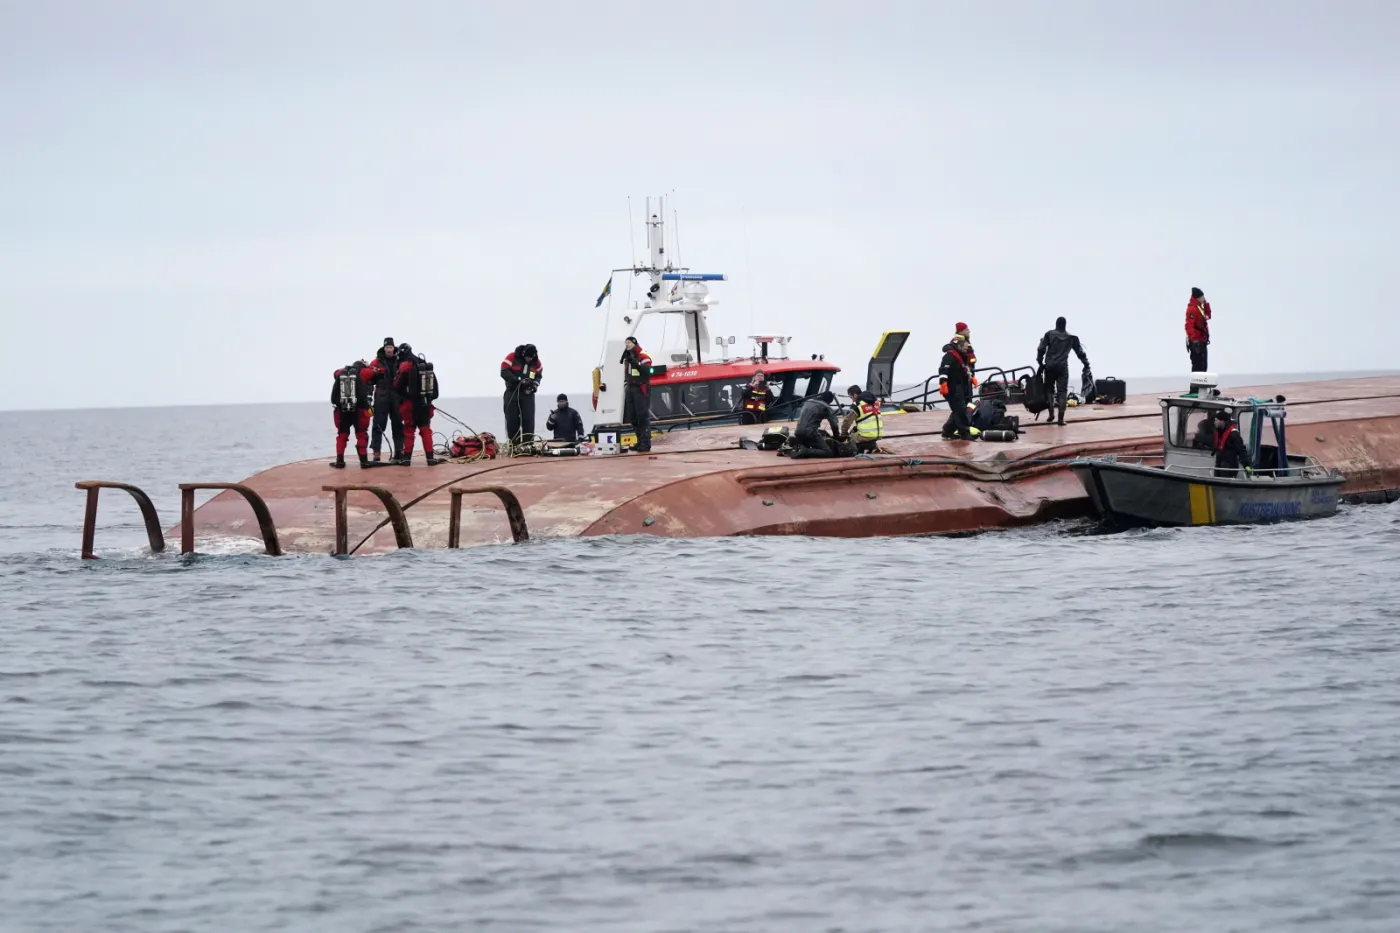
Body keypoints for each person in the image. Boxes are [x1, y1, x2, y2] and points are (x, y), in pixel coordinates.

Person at [1037, 316, 1091, 426]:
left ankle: (1051, 414)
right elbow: (1080, 353)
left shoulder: (1049, 334)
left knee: (1049, 390)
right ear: (1065, 325)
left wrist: (1040, 361)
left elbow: (1040, 348)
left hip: (1050, 366)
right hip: (1062, 368)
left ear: (1056, 324)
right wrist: (1086, 363)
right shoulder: (1072, 338)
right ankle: (1060, 419)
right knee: (1062, 393)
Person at [393, 343, 441, 465]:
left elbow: (397, 386)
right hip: (425, 404)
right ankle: (430, 458)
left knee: (409, 430)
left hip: (410, 405)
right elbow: (435, 389)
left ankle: (407, 459)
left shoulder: (405, 366)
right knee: (425, 430)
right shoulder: (423, 364)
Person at [330, 359, 377, 469]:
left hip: (343, 410)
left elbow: (335, 373)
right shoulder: (365, 372)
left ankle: (340, 460)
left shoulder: (341, 373)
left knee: (342, 435)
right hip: (359, 410)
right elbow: (375, 373)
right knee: (361, 434)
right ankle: (364, 461)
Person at [369, 337, 404, 463]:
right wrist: (373, 372)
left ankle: (399, 451)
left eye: (390, 347)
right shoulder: (376, 362)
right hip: (381, 397)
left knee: (398, 424)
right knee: (378, 425)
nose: (389, 349)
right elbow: (369, 380)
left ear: (393, 348)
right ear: (384, 348)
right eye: (387, 347)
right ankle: (376, 452)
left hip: (396, 397)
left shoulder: (400, 361)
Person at [501, 344, 543, 443]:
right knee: (512, 419)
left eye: (531, 357)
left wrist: (535, 385)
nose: (529, 359)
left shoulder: (536, 363)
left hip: (527, 394)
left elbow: (538, 376)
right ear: (523, 354)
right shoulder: (511, 357)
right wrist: (518, 380)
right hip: (512, 391)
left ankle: (527, 444)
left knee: (528, 419)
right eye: (527, 357)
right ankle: (514, 445)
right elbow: (503, 371)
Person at [940, 335, 978, 440]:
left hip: (960, 385)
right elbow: (943, 370)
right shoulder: (950, 356)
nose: (967, 350)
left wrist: (971, 377)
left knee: (958, 410)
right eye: (965, 348)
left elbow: (964, 369)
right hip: (952, 387)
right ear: (960, 347)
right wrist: (943, 383)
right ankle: (965, 433)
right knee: (960, 409)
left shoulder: (961, 356)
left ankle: (947, 431)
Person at [620, 337, 653, 453]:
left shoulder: (643, 356)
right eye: (626, 343)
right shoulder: (627, 358)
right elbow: (627, 374)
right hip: (630, 389)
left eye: (629, 342)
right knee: (633, 417)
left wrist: (634, 361)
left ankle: (645, 443)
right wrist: (626, 386)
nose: (627, 345)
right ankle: (639, 440)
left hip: (641, 388)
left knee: (642, 416)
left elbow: (646, 371)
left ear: (634, 343)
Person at [841, 384, 884, 453]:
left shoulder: (857, 405)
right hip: (878, 434)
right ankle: (872, 446)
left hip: (866, 436)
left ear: (855, 395)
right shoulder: (875, 402)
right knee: (854, 430)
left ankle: (859, 451)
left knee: (849, 438)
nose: (852, 400)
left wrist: (843, 435)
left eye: (851, 397)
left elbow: (847, 422)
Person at [1211, 409, 1252, 477]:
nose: (1214, 422)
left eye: (1216, 420)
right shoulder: (1220, 432)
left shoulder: (1234, 434)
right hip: (1219, 464)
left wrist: (1246, 465)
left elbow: (1241, 450)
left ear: (1222, 421)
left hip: (1229, 466)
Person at [1186, 287, 1212, 372]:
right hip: (1196, 342)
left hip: (1202, 340)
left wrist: (1206, 304)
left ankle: (1202, 385)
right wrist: (1194, 340)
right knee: (1198, 366)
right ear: (1197, 297)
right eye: (1202, 297)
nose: (1203, 298)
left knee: (1204, 365)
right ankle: (1195, 385)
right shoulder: (1192, 309)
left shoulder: (1200, 308)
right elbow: (1189, 325)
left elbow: (1207, 316)